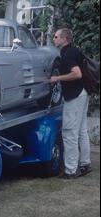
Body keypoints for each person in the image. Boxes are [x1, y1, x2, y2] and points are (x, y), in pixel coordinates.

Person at [49, 28, 91, 179]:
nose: (53, 39)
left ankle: (71, 171)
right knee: (81, 130)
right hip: (83, 93)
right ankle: (85, 164)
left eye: (56, 36)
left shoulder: (67, 54)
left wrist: (57, 79)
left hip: (75, 95)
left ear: (64, 39)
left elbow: (77, 74)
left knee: (69, 132)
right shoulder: (74, 51)